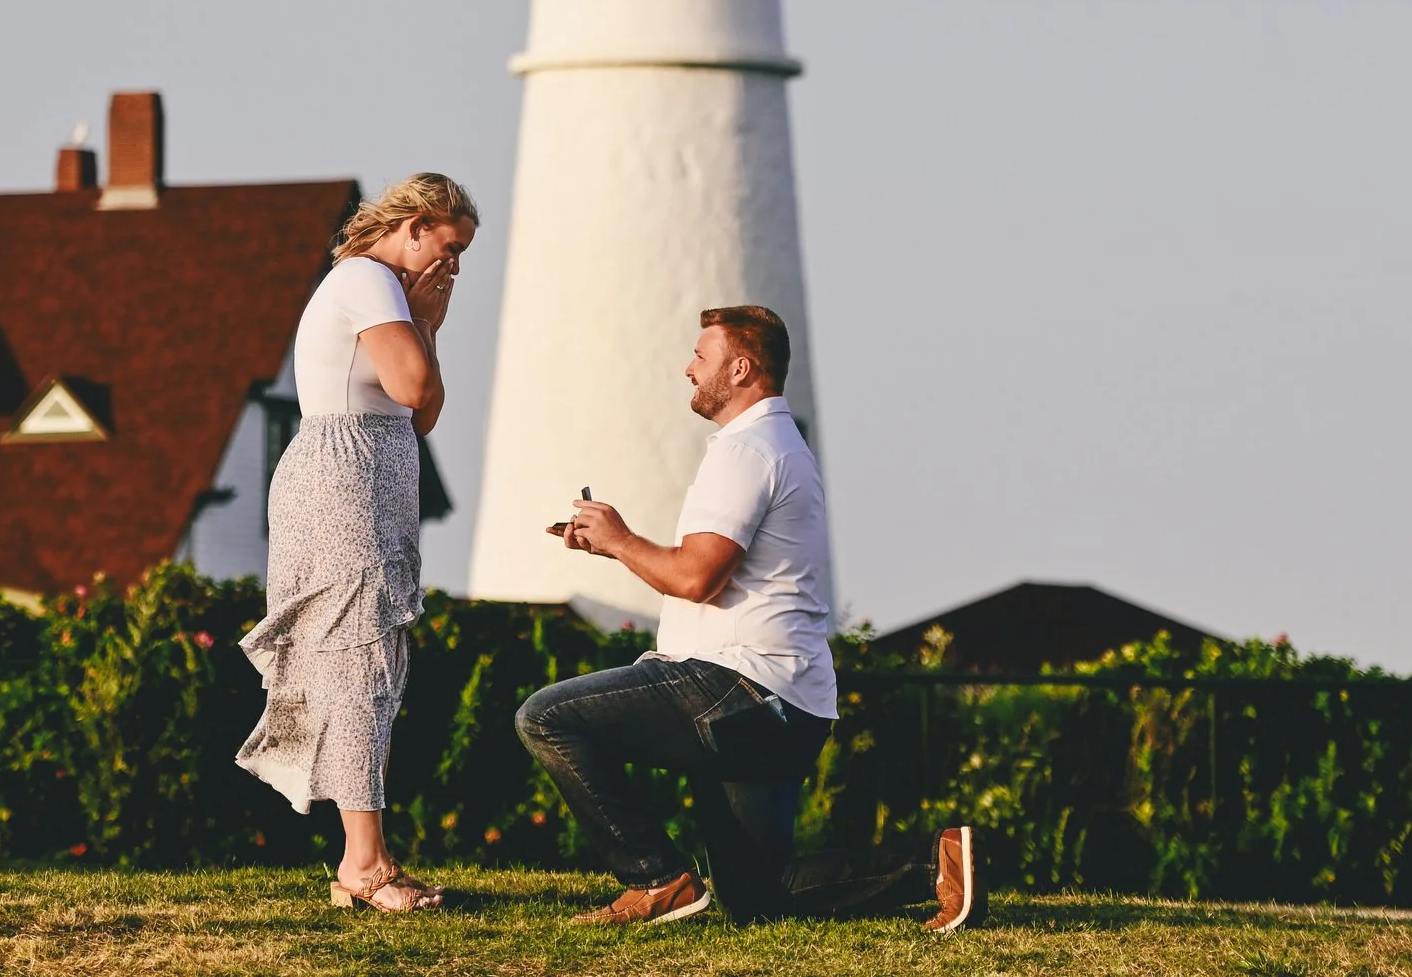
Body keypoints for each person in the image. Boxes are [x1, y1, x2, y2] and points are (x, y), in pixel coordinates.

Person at [515, 305, 984, 930]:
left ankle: (656, 880)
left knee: (545, 716)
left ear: (740, 368)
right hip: (788, 701)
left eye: (700, 357)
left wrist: (622, 539)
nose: (687, 369)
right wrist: (612, 542)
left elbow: (697, 577)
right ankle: (937, 863)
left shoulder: (748, 451)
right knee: (757, 894)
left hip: (739, 687)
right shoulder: (777, 445)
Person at [235, 172, 478, 912]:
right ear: (415, 224)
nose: (455, 266)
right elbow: (414, 388)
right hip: (342, 483)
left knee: (372, 662)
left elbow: (421, 415)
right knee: (356, 661)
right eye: (450, 246)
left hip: (368, 478)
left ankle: (364, 857)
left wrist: (426, 325)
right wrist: (426, 320)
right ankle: (363, 864)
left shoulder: (385, 292)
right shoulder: (370, 277)